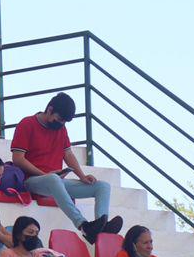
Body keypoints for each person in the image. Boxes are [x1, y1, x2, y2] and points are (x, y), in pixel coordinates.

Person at [10, 92, 122, 243]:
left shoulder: (61, 129)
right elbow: (17, 159)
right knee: (53, 179)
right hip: (33, 181)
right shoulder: (27, 124)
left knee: (103, 187)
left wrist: (82, 176)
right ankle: (84, 226)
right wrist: (45, 174)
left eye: (64, 122)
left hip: (55, 181)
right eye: (59, 119)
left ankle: (101, 229)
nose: (61, 124)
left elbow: (68, 155)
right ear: (49, 110)